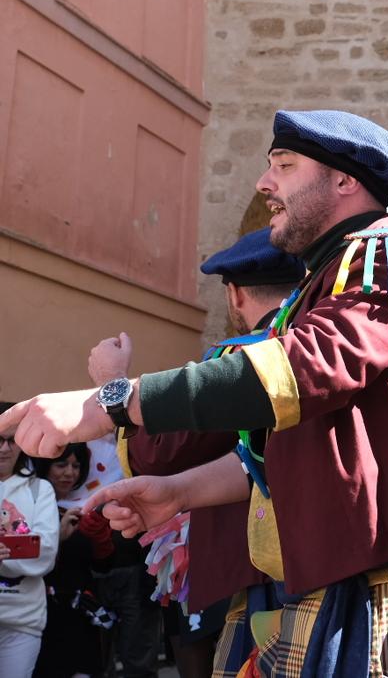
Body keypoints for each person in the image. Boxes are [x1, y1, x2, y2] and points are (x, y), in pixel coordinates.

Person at [2, 110, 388, 676]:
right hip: (347, 580)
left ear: (345, 181)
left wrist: (108, 401)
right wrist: (180, 491)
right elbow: (289, 437)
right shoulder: (327, 283)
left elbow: (301, 370)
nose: (264, 185)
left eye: (284, 166)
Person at [87, 227, 302, 678]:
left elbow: (160, 454)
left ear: (235, 294)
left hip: (250, 568)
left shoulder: (239, 361)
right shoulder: (312, 348)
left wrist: (113, 381)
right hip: (311, 560)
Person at [33, 444, 116, 678]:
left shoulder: (84, 509)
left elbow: (103, 565)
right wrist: (57, 537)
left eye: (76, 466)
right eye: (61, 465)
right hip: (44, 616)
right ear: (45, 466)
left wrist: (98, 535)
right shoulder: (28, 507)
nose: (70, 473)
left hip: (80, 616)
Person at [0, 404, 59, 678]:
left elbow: (45, 553)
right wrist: (17, 550)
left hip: (23, 621)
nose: (4, 449)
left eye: (11, 440)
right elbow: (31, 547)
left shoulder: (40, 490)